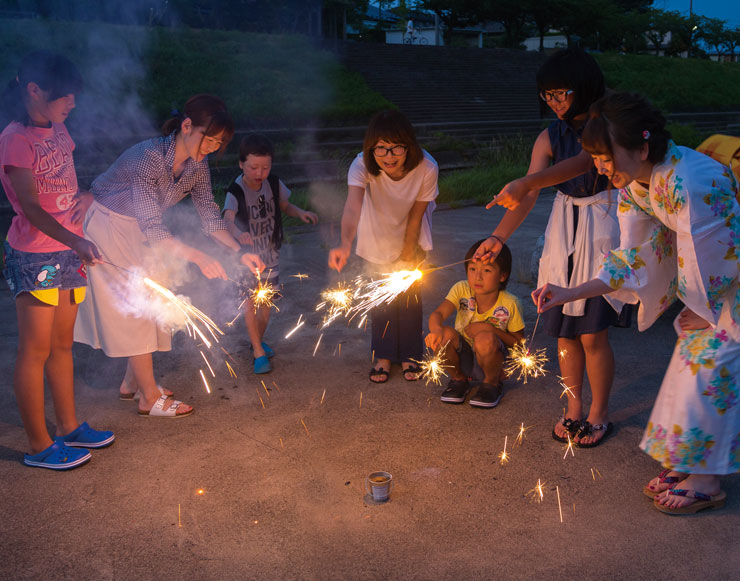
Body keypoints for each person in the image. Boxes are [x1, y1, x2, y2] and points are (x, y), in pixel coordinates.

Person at [533, 92, 740, 515]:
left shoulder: (691, 181)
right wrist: (568, 292)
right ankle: (686, 461)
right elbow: (633, 256)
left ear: (642, 148)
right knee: (690, 358)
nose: (600, 168)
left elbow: (714, 253)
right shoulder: (635, 185)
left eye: (606, 157)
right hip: (726, 274)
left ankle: (707, 478)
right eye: (595, 157)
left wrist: (705, 306)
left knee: (718, 365)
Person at [74, 94, 264, 418]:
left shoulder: (198, 165)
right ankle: (148, 397)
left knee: (156, 300)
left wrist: (240, 252)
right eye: (210, 139)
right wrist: (199, 257)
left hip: (140, 230)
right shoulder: (149, 156)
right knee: (138, 304)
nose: (213, 147)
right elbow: (152, 227)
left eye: (220, 142)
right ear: (187, 126)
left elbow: (209, 217)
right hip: (109, 226)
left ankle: (131, 384)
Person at [475, 47, 629, 447]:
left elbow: (582, 163)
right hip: (564, 228)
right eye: (548, 96)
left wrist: (529, 183)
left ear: (584, 88)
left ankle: (599, 413)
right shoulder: (548, 135)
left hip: (603, 222)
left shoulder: (605, 125)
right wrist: (498, 236)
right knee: (563, 333)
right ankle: (573, 407)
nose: (556, 103)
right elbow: (527, 194)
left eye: (563, 94)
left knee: (593, 333)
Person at [0, 51, 114, 470]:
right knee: (35, 350)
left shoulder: (59, 129)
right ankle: (39, 446)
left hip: (68, 250)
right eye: (66, 96)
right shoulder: (15, 140)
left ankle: (69, 427)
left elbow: (64, 183)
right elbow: (30, 207)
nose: (73, 103)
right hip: (35, 256)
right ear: (34, 91)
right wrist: (75, 241)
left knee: (63, 344)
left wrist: (82, 205)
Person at [328, 109, 439, 383]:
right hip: (375, 234)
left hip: (412, 231)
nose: (389, 156)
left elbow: (417, 213)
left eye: (396, 148)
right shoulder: (361, 165)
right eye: (381, 149)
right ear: (371, 148)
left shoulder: (427, 167)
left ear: (408, 145)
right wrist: (344, 243)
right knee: (381, 299)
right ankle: (384, 356)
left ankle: (411, 353)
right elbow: (353, 207)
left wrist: (408, 250)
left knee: (409, 297)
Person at [223, 134, 318, 374]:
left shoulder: (274, 184)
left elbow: (285, 206)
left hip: (270, 254)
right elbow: (227, 220)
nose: (260, 173)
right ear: (241, 164)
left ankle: (257, 341)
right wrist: (237, 234)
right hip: (246, 258)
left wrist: (301, 213)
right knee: (249, 303)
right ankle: (257, 350)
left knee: (266, 304)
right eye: (254, 167)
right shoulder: (236, 190)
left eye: (265, 167)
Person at [424, 240, 525, 409]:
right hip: (463, 358)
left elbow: (519, 343)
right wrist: (435, 330)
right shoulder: (461, 289)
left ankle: (491, 384)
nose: (477, 277)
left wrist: (491, 329)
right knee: (444, 335)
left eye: (486, 270)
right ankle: (458, 380)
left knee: (485, 338)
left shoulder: (510, 303)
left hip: (492, 362)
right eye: (472, 269)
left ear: (502, 275)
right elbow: (438, 314)